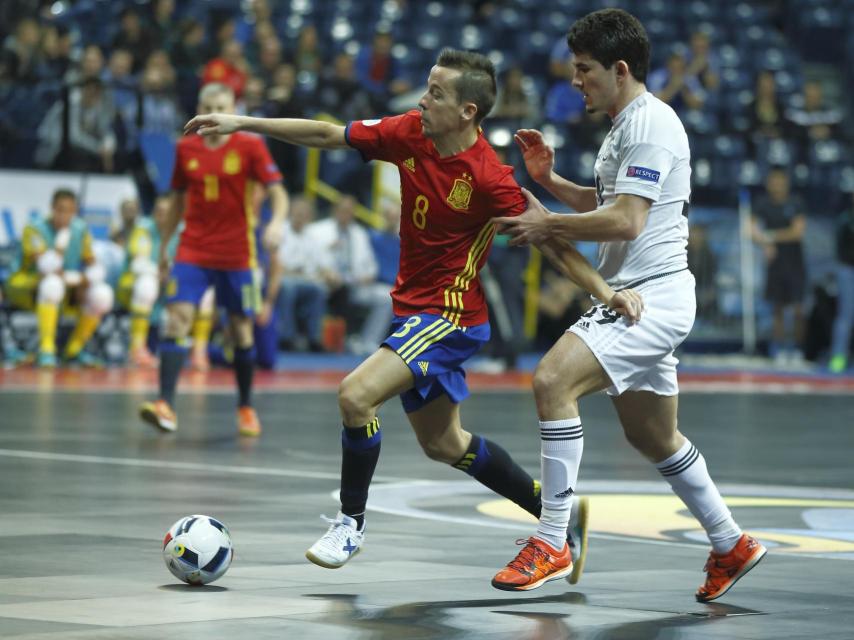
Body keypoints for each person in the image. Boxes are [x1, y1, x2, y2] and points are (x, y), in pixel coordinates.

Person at [184, 48, 640, 573]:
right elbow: (328, 134)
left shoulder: (490, 178)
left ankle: (350, 524)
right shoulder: (410, 133)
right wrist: (243, 122)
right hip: (412, 313)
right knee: (445, 444)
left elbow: (551, 243)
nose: (423, 100)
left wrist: (606, 294)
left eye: (437, 93)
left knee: (356, 396)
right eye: (427, 87)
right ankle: (555, 513)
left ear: (468, 110)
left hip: (449, 318)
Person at [493, 9, 766, 601]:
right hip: (650, 293)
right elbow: (613, 198)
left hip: (649, 297)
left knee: (551, 382)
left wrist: (550, 225)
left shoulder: (651, 124)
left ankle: (552, 541)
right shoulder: (627, 125)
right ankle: (731, 543)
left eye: (584, 69)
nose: (574, 80)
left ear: (619, 70)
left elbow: (625, 219)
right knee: (652, 436)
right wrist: (550, 182)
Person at [138, 82, 287, 437]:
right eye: (207, 105)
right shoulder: (186, 148)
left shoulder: (250, 145)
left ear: (231, 107)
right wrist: (163, 248)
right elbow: (175, 201)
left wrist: (278, 221)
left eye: (220, 105)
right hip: (193, 249)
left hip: (238, 253)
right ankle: (166, 405)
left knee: (240, 330)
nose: (213, 111)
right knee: (176, 320)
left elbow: (278, 192)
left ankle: (246, 406)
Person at [5, 188, 114, 367]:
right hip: (25, 285)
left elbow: (93, 265)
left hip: (65, 287)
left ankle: (74, 350)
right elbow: (46, 267)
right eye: (60, 209)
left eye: (70, 210)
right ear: (52, 208)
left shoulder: (80, 229)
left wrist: (85, 281)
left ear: (75, 211)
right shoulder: (34, 228)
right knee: (52, 283)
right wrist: (62, 241)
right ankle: (47, 350)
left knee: (102, 294)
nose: (65, 215)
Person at [750, 168, 807, 364]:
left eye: (780, 181)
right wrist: (765, 243)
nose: (777, 185)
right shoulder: (762, 204)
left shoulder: (795, 203)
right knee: (778, 308)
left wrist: (771, 236)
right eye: (773, 181)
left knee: (799, 309)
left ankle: (798, 349)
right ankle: (779, 349)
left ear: (786, 183)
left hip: (795, 263)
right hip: (775, 264)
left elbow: (797, 232)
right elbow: (752, 231)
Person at [829, 193, 854, 373]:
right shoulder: (846, 219)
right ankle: (838, 356)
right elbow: (840, 248)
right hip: (848, 270)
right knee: (845, 315)